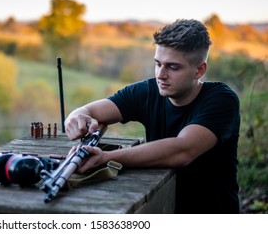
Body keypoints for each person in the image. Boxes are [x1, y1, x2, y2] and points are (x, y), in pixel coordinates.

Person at [64, 19, 240, 214]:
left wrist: (106, 157)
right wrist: (75, 117)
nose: (161, 75)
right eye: (158, 64)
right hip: (162, 209)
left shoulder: (222, 100)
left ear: (199, 70)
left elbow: (182, 150)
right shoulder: (148, 91)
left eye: (173, 67)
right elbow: (89, 111)